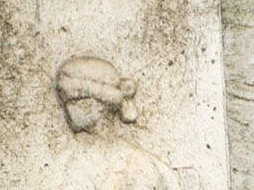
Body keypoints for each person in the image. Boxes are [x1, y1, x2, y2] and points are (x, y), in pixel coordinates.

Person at [53, 57, 176, 190]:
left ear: (97, 105)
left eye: (74, 101)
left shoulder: (140, 166)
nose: (68, 110)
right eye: (66, 102)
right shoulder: (77, 163)